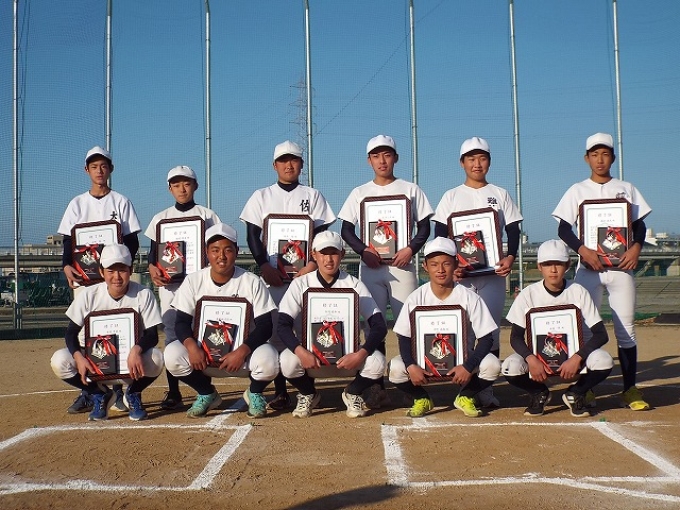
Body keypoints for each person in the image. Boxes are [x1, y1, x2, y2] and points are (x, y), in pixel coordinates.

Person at [552, 132, 652, 411]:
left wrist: (636, 247)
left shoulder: (626, 188)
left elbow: (639, 224)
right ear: (586, 158)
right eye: (594, 154)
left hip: (620, 269)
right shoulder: (577, 190)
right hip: (589, 269)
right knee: (584, 329)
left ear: (613, 158)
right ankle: (586, 388)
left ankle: (630, 389)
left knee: (626, 330)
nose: (600, 159)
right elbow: (563, 228)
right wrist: (582, 249)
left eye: (605, 154)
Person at [337, 135, 433, 407]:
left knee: (408, 324)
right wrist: (363, 250)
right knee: (374, 327)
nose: (382, 160)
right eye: (376, 156)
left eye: (387, 155)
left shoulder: (410, 189)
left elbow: (425, 226)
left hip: (402, 266)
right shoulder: (360, 192)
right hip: (372, 267)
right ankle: (376, 385)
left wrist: (411, 248)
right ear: (369, 160)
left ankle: (409, 382)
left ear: (395, 158)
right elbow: (346, 230)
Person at [240, 140, 335, 411]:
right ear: (275, 165)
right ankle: (280, 392)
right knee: (276, 335)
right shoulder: (261, 196)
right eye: (283, 160)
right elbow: (252, 235)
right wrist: (264, 265)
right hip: (275, 277)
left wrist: (312, 263)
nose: (289, 165)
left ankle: (307, 390)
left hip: (306, 276)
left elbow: (322, 233)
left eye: (294, 160)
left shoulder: (313, 196)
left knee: (307, 330)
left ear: (301, 164)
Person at [432, 136, 522, 409]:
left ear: (489, 162)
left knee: (490, 330)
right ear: (462, 163)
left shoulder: (500, 193)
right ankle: (466, 386)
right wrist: (451, 265)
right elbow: (440, 233)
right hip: (462, 277)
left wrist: (510, 256)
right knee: (464, 331)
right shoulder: (451, 196)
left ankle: (484, 389)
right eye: (471, 159)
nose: (477, 163)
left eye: (482, 158)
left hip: (492, 275)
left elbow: (513, 229)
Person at [57, 146, 142, 414]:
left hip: (113, 280)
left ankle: (120, 388)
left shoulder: (121, 201)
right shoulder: (77, 203)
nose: (99, 170)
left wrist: (118, 269)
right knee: (86, 334)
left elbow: (132, 241)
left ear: (111, 169)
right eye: (94, 166)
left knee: (118, 329)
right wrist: (66, 265)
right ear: (86, 170)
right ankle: (92, 391)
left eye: (104, 166)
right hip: (86, 281)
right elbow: (68, 240)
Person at [163, 223, 279, 419]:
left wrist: (241, 351)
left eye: (228, 250)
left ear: (237, 252)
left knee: (270, 359)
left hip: (241, 357)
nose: (221, 256)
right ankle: (207, 393)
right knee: (172, 354)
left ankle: (254, 392)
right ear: (207, 252)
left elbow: (265, 326)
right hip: (204, 356)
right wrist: (192, 348)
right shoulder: (194, 280)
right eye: (215, 250)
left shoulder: (251, 281)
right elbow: (181, 322)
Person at [276, 231, 388, 418]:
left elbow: (379, 325)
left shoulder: (354, 284)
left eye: (334, 253)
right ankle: (308, 393)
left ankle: (352, 392)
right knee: (286, 361)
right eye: (323, 253)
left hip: (347, 360)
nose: (328, 259)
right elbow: (282, 324)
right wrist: (301, 352)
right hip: (312, 359)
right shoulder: (300, 284)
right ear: (314, 255)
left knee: (377, 362)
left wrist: (360, 354)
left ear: (342, 254)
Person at [388, 237, 501, 418]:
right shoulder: (416, 297)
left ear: (456, 264)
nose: (440, 270)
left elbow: (487, 338)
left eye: (446, 264)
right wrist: (411, 366)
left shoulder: (469, 297)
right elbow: (404, 336)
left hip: (463, 360)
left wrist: (468, 366)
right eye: (434, 264)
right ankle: (421, 398)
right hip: (423, 361)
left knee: (492, 365)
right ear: (425, 266)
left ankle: (465, 396)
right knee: (395, 368)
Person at [49, 244, 164, 421]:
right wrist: (79, 358)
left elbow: (152, 335)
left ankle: (133, 393)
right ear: (101, 272)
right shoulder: (89, 295)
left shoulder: (143, 294)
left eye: (122, 270)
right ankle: (99, 394)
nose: (116, 277)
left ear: (131, 270)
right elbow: (70, 334)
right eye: (110, 271)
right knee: (59, 360)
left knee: (156, 358)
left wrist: (136, 350)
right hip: (95, 364)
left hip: (130, 366)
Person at [501, 240, 614, 417]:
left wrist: (577, 357)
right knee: (510, 367)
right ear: (539, 266)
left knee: (604, 360)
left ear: (567, 265)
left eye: (559, 264)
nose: (553, 270)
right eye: (547, 264)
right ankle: (539, 393)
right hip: (539, 366)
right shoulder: (528, 294)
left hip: (574, 364)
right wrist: (531, 359)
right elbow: (515, 337)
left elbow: (601, 334)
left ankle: (576, 393)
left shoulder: (578, 291)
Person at [144, 165, 221, 411]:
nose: (182, 189)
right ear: (169, 189)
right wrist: (152, 268)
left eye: (186, 183)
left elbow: (218, 246)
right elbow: (153, 254)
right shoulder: (160, 218)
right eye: (176, 185)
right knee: (172, 335)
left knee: (203, 331)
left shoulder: (207, 215)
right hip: (172, 286)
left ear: (195, 186)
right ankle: (174, 391)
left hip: (201, 283)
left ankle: (205, 387)